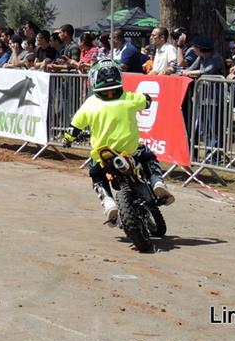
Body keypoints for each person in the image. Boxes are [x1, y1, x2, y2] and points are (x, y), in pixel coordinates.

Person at [63, 60, 174, 225]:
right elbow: (147, 101)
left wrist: (67, 139)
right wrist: (146, 98)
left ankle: (108, 202)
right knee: (148, 156)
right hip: (130, 149)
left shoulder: (89, 104)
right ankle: (157, 181)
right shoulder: (129, 97)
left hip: (102, 154)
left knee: (96, 174)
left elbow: (73, 129)